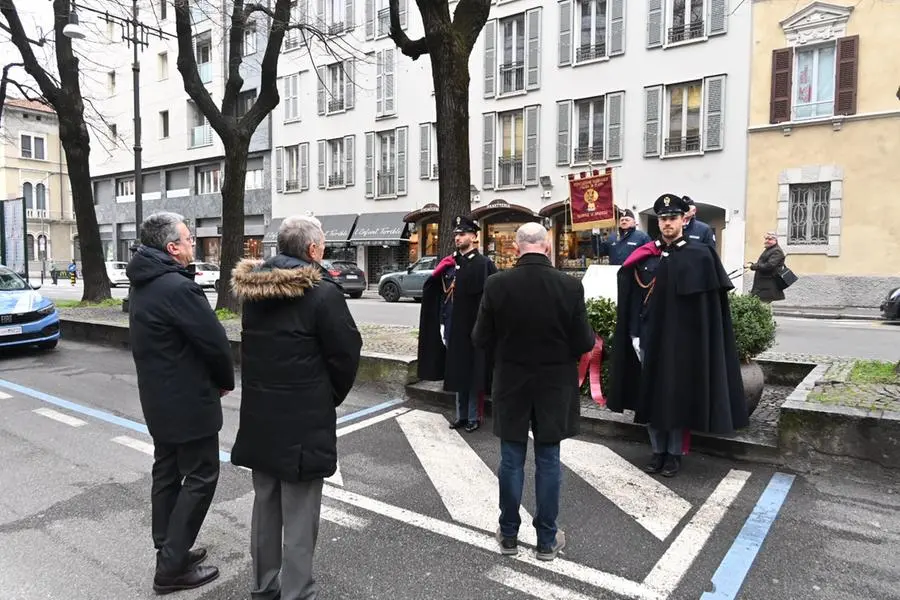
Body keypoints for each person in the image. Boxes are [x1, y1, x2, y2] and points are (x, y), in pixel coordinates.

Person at [231, 215, 362, 600]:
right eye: (321, 247)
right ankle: (295, 593)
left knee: (265, 506)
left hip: (260, 415)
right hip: (303, 419)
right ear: (312, 250)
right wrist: (329, 396)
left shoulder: (254, 291)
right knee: (301, 514)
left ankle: (264, 586)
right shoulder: (322, 292)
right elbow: (346, 353)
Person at [126, 212, 234, 594]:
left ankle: (168, 549)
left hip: (158, 399)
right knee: (202, 476)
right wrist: (224, 381)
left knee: (168, 473)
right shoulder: (177, 287)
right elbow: (214, 342)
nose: (192, 246)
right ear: (172, 248)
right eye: (188, 240)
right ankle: (170, 568)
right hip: (188, 401)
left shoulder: (143, 283)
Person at [473, 222, 594, 561]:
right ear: (547, 246)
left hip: (512, 381)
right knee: (548, 460)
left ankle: (509, 535)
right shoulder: (569, 286)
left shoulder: (497, 284)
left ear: (516, 248)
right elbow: (584, 341)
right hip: (554, 384)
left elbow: (480, 338)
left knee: (511, 459)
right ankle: (546, 539)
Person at [607, 194, 747, 478]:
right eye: (662, 219)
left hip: (682, 342)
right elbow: (632, 297)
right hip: (648, 338)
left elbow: (708, 309)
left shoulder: (700, 256)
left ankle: (674, 453)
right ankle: (657, 449)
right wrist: (633, 333)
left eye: (672, 218)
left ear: (684, 220)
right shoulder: (646, 254)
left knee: (676, 396)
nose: (667, 223)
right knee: (650, 394)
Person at [417, 215, 498, 433]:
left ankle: (474, 416)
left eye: (462, 234)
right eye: (456, 234)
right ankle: (461, 415)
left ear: (473, 236)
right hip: (454, 328)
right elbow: (438, 291)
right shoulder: (452, 263)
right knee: (457, 373)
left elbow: (492, 298)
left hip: (475, 329)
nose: (458, 238)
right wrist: (436, 275)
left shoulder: (484, 264)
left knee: (474, 375)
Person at [747, 232, 786, 303]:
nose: (767, 241)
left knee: (762, 306)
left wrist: (753, 266)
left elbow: (769, 266)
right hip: (763, 285)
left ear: (775, 240)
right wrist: (752, 265)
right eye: (766, 239)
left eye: (770, 239)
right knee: (761, 306)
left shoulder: (776, 251)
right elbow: (763, 263)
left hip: (768, 285)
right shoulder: (770, 249)